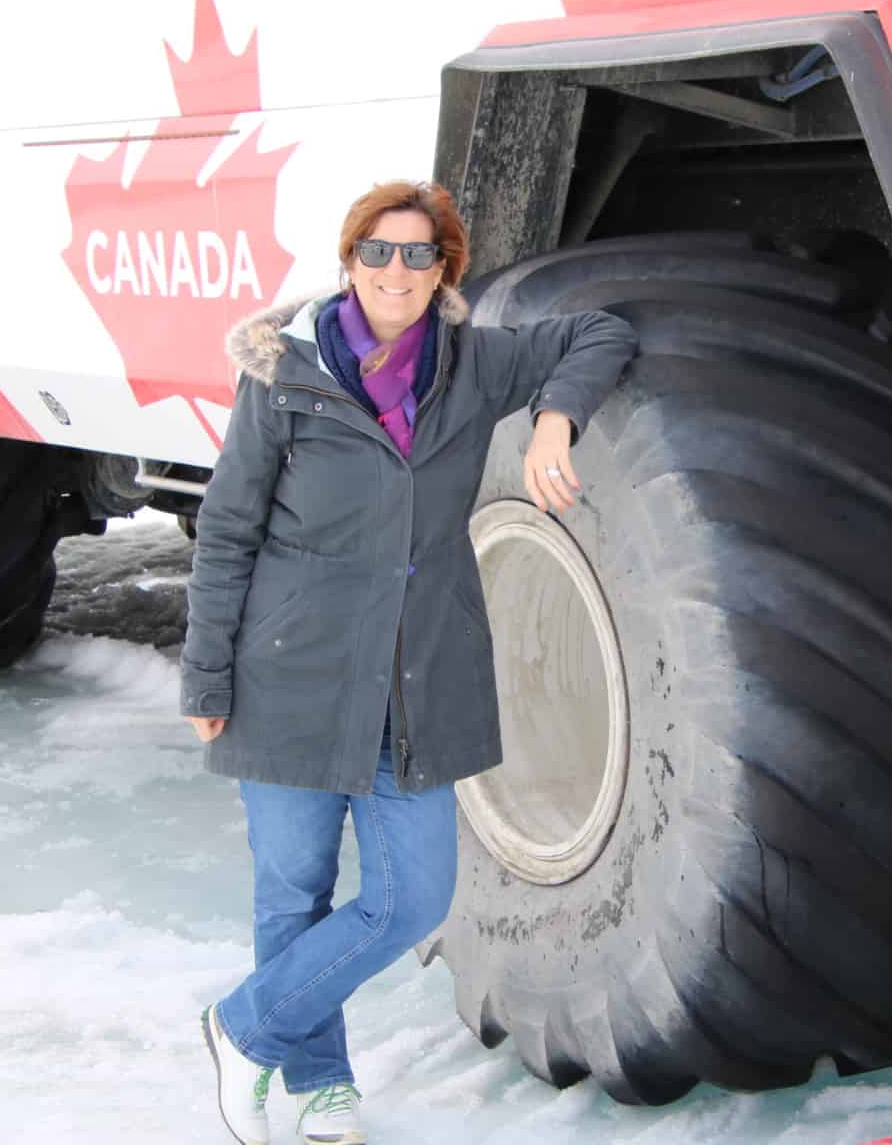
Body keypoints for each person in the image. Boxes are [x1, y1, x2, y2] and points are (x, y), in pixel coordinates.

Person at [180, 180, 638, 1144]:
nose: (397, 270)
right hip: (291, 674)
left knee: (413, 897)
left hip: (416, 680)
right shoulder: (286, 376)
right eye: (378, 252)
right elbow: (226, 530)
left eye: (419, 254)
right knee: (294, 891)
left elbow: (599, 333)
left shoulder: (474, 364)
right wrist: (207, 674)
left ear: (444, 271)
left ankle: (243, 1028)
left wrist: (555, 418)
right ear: (350, 263)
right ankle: (321, 1086)